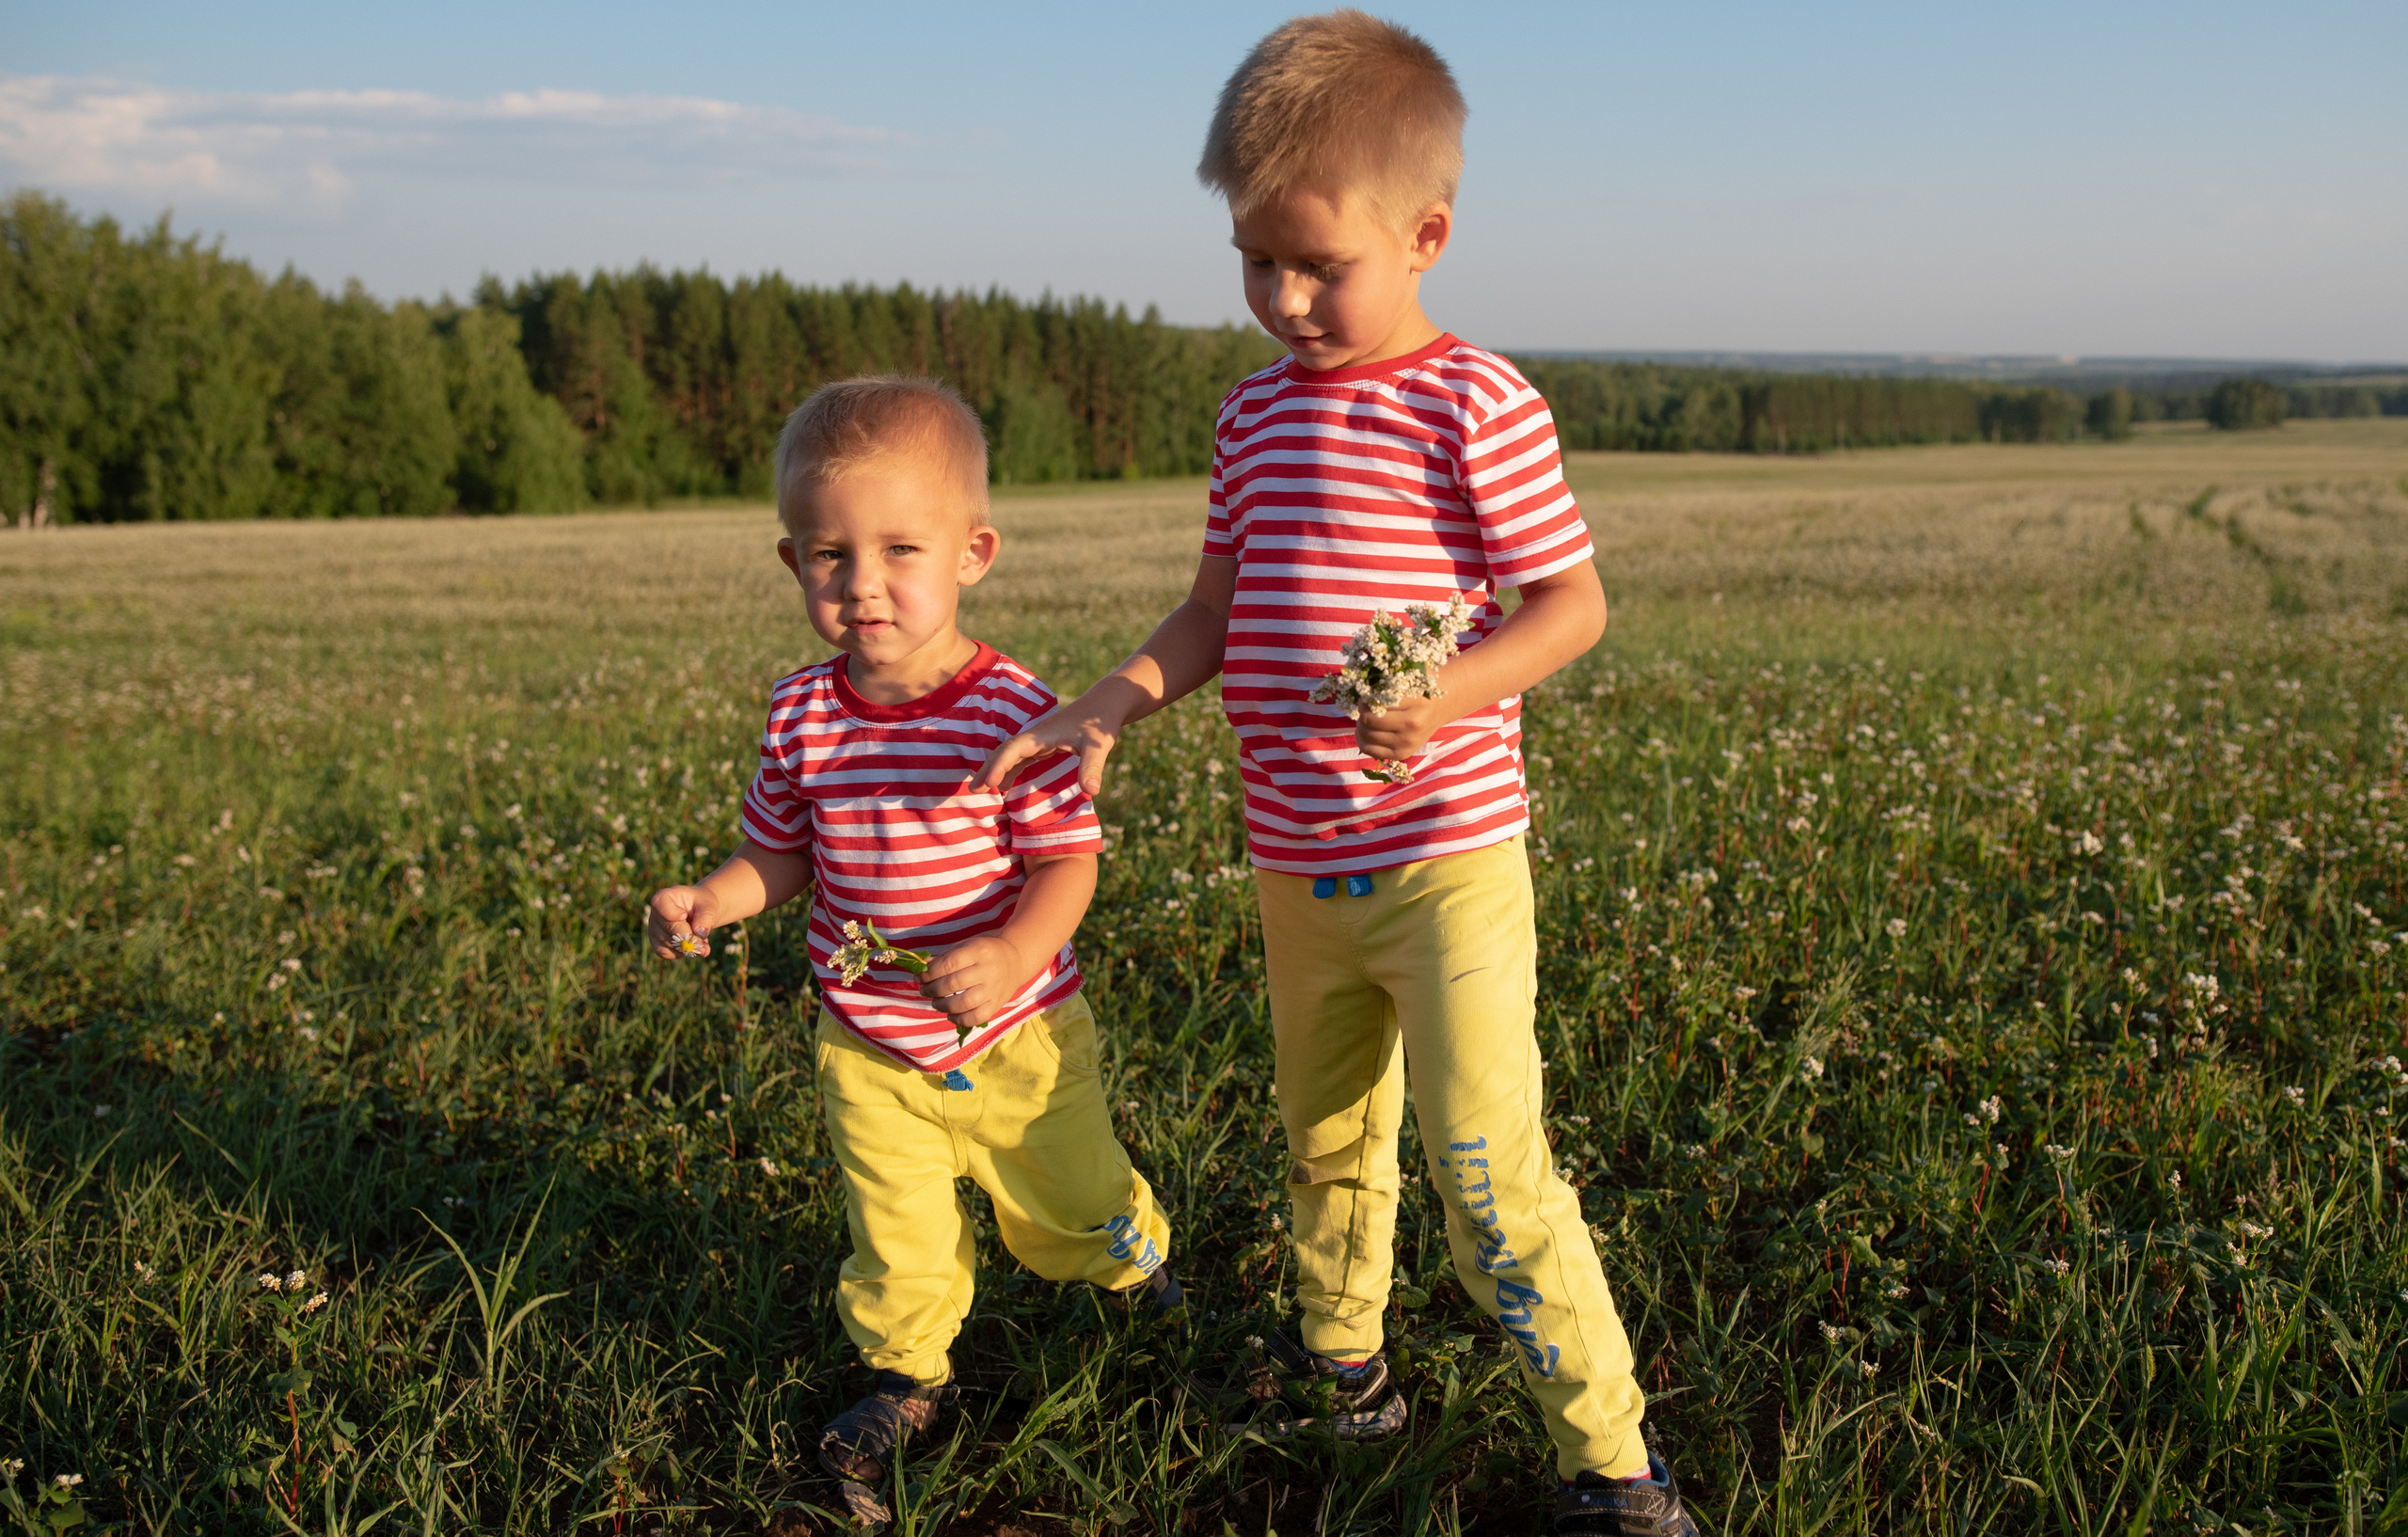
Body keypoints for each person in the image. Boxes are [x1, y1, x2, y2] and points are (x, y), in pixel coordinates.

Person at [979, 13, 1697, 1533]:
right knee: (1326, 1139)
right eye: (1255, 260)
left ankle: (1612, 1459)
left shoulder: (1473, 402)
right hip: (1299, 869)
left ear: (1427, 233)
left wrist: (1451, 689)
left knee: (1492, 1173)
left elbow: (1571, 605)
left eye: (1320, 264)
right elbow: (1220, 612)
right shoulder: (1252, 416)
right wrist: (1113, 701)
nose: (1284, 298)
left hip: (1447, 862)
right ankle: (1342, 1363)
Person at [647, 376, 1179, 1523]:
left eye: (899, 548)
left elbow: (1067, 861)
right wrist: (713, 897)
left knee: (1064, 1207)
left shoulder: (1012, 711)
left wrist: (1014, 945)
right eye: (830, 554)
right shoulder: (802, 712)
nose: (863, 583)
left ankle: (1135, 1260)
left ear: (972, 551)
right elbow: (779, 852)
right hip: (869, 1037)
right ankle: (906, 1372)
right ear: (792, 564)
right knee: (892, 1226)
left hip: (1017, 1031)